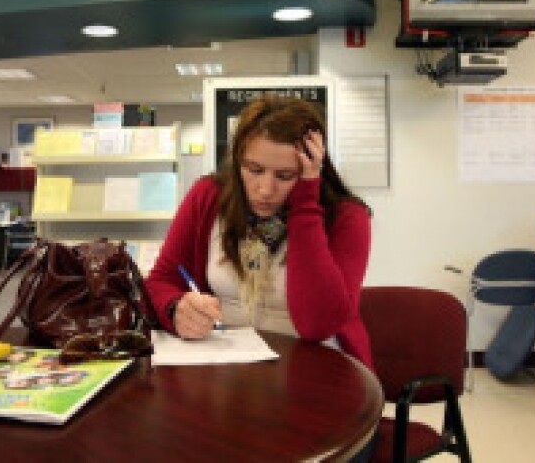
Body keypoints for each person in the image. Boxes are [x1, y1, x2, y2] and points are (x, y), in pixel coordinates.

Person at [145, 96, 373, 368]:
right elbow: (162, 279)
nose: (265, 189)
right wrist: (175, 308)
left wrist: (305, 201)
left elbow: (317, 324)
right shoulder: (208, 196)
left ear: (312, 166)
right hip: (226, 364)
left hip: (316, 369)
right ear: (237, 159)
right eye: (254, 170)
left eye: (285, 175)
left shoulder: (347, 217)